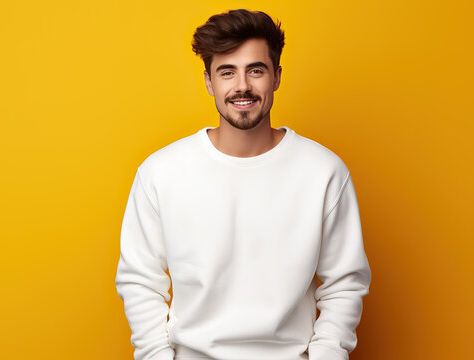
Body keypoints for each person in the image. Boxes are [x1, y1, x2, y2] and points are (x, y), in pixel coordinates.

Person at [115, 8, 372, 360]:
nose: (242, 86)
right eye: (227, 72)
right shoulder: (161, 173)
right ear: (208, 81)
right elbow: (139, 280)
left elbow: (345, 282)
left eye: (256, 70)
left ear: (276, 77)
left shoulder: (324, 172)